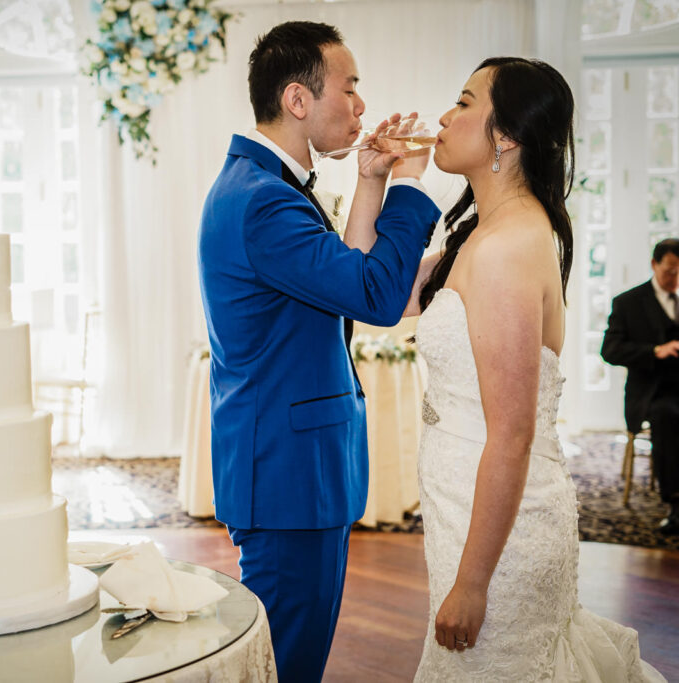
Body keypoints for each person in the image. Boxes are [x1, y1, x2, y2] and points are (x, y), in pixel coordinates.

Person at [403, 57, 664, 680]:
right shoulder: (483, 232)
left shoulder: (508, 248)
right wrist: (385, 180)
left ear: (508, 134)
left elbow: (513, 432)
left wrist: (472, 584)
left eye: (463, 102)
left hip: (500, 537)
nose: (444, 115)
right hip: (465, 508)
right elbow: (376, 294)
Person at [197, 21, 441, 682]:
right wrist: (413, 185)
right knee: (285, 665)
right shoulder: (264, 203)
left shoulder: (263, 186)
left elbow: (343, 277)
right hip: (287, 473)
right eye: (350, 87)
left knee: (285, 656)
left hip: (291, 466)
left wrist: (371, 181)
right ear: (298, 100)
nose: (362, 105)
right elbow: (375, 294)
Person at [601, 238, 679, 535]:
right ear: (654, 265)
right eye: (671, 271)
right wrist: (654, 351)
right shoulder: (628, 303)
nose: (676, 279)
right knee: (667, 417)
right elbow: (610, 350)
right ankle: (674, 503)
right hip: (652, 392)